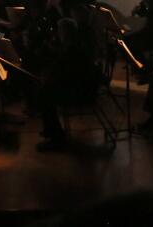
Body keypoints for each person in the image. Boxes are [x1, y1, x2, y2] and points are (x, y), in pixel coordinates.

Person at [35, 18, 104, 151]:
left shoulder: (72, 50)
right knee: (45, 92)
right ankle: (52, 132)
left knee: (44, 95)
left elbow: (65, 72)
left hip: (80, 92)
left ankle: (56, 137)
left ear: (65, 34)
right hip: (81, 88)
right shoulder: (76, 46)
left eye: (60, 31)